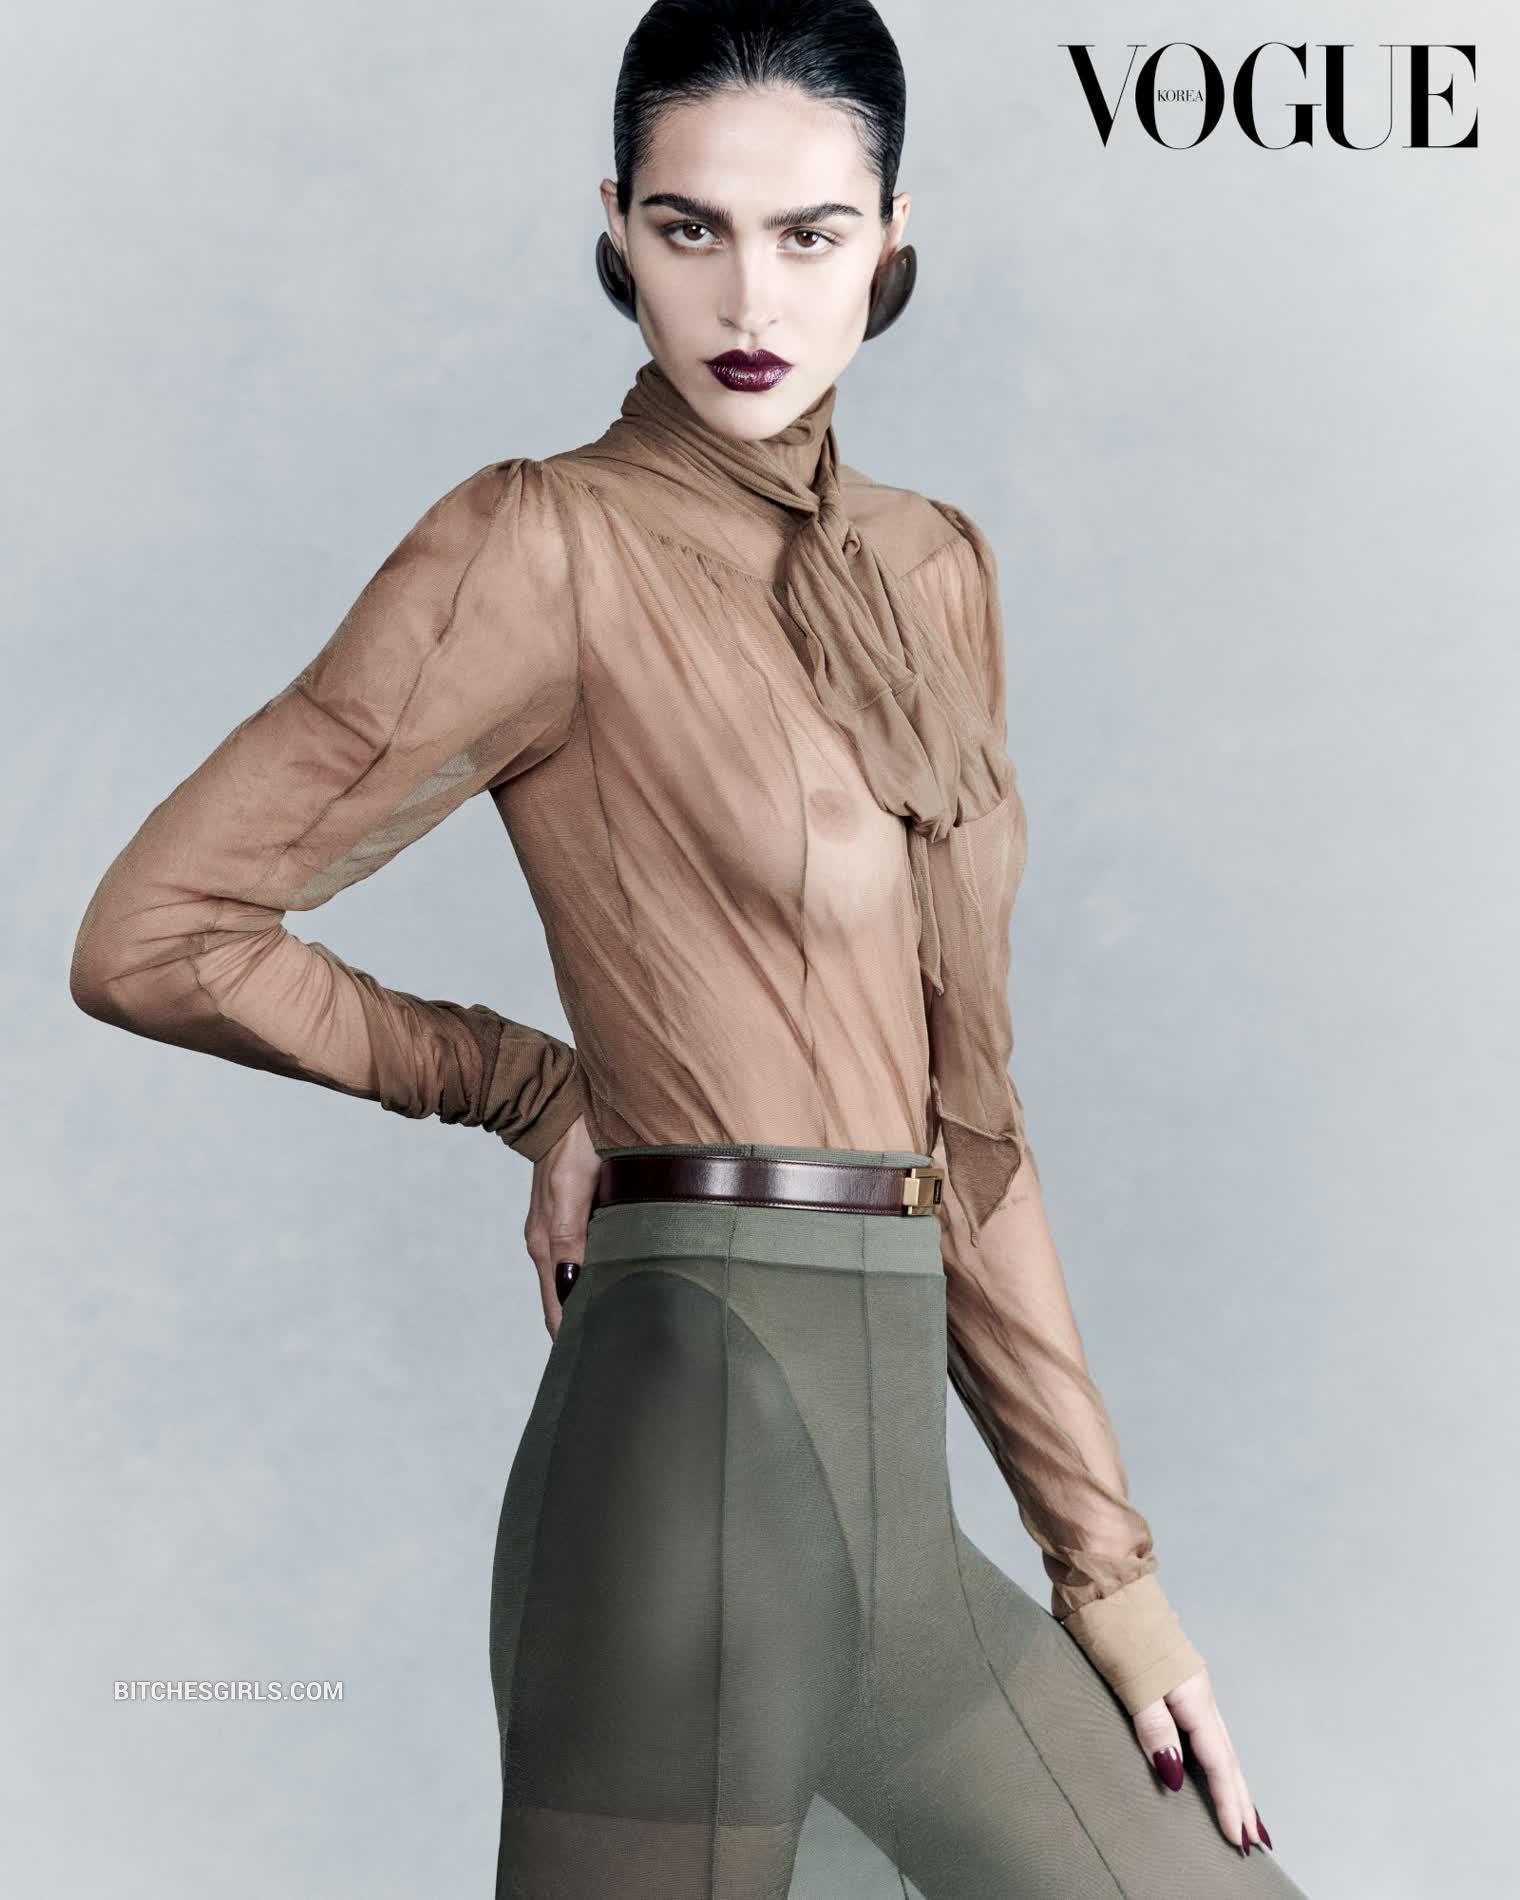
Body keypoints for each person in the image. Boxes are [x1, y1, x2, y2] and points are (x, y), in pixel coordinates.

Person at [69, 2, 1311, 1894]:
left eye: (811, 234)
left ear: (892, 236)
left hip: (903, 1528)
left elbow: (969, 1119)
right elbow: (157, 934)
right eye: (690, 228)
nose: (750, 295)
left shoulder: (930, 571)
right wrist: (535, 1087)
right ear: (617, 230)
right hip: (685, 1460)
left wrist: (1111, 1578)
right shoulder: (538, 544)